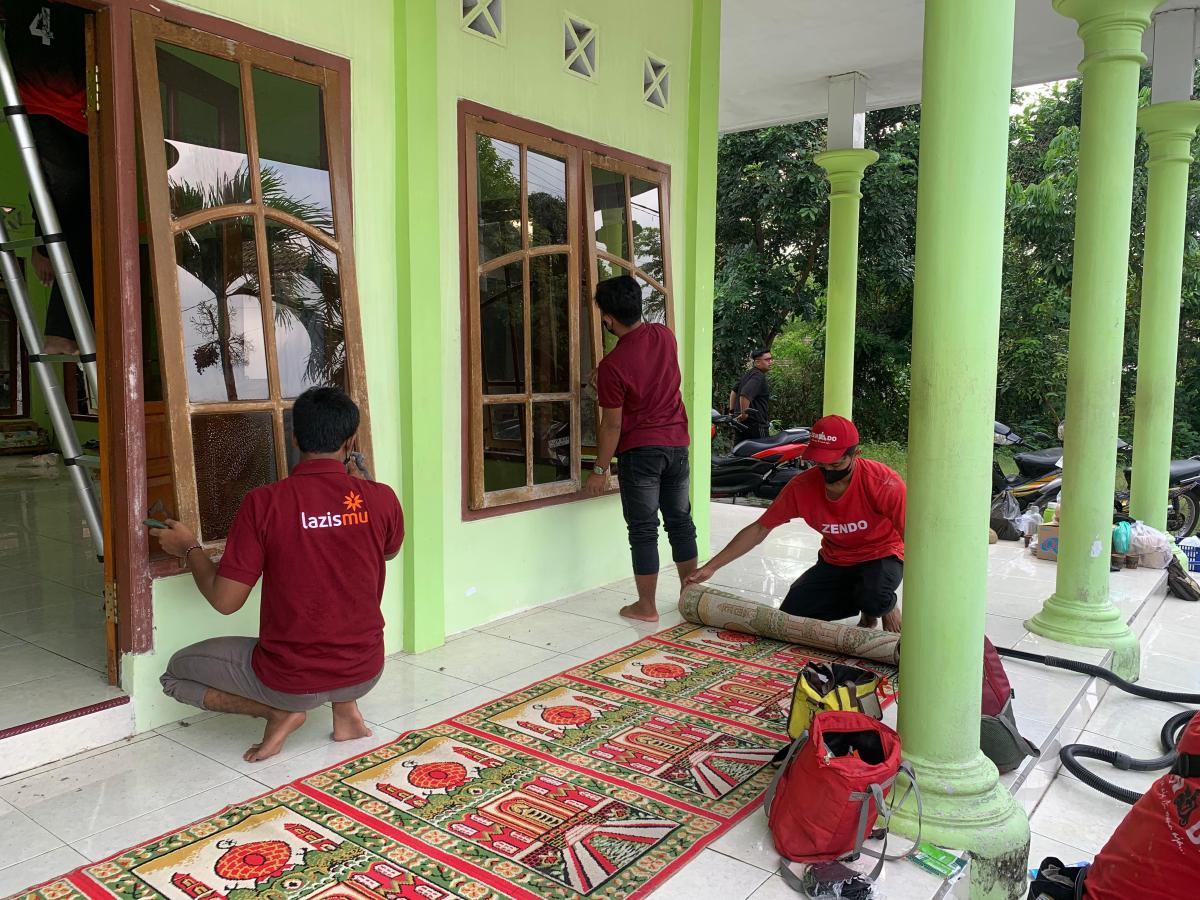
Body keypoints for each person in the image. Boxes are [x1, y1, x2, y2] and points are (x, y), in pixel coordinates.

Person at [152, 387, 403, 762]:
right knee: (338, 614)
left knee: (174, 674)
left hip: (290, 680)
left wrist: (189, 549)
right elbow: (389, 550)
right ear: (350, 440)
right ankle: (346, 712)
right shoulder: (381, 497)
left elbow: (225, 601)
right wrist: (355, 501)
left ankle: (277, 711)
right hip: (365, 670)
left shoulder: (265, 503)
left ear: (294, 437)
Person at [684, 414, 905, 632]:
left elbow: (914, 540)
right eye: (821, 464)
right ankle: (868, 601)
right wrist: (710, 568)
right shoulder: (802, 487)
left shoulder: (883, 483)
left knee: (874, 596)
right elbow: (760, 528)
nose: (827, 472)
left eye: (836, 465)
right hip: (837, 560)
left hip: (882, 554)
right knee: (791, 615)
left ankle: (882, 605)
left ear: (855, 454)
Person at [583, 274, 697, 623]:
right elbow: (653, 376)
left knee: (644, 528)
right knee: (680, 522)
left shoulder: (612, 367)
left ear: (607, 319)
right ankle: (688, 596)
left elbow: (612, 425)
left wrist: (600, 470)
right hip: (677, 446)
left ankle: (646, 606)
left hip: (641, 453)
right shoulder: (665, 336)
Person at [1, 0, 93, 355]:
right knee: (69, 200)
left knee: (83, 220)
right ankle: (62, 332)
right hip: (52, 109)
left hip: (76, 114)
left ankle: (63, 332)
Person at [729, 349, 773, 440]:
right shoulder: (758, 376)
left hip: (741, 425)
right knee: (762, 453)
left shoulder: (749, 374)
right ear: (757, 362)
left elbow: (734, 392)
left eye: (771, 359)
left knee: (740, 452)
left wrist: (732, 412)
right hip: (755, 426)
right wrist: (744, 414)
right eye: (767, 360)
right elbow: (744, 394)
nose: (771, 362)